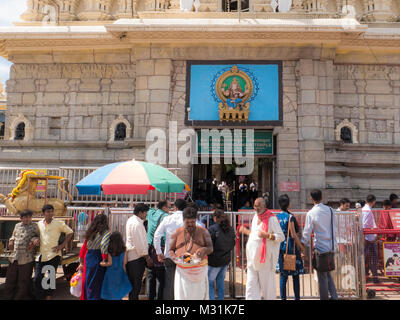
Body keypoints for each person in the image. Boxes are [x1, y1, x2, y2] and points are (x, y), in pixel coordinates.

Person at [154, 199, 201, 300]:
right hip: (186, 256)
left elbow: (157, 235)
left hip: (169, 256)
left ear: (175, 207)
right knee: (185, 283)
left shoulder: (167, 219)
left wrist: (159, 252)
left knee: (169, 284)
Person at [239, 197, 284, 300]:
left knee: (268, 289)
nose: (256, 208)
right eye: (255, 205)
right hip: (252, 259)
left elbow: (281, 237)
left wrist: (268, 236)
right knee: (250, 288)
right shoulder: (255, 217)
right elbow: (255, 234)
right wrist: (246, 231)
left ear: (264, 206)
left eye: (258, 206)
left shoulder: (272, 218)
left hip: (265, 261)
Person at [169, 206, 213, 300]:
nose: (190, 224)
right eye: (187, 222)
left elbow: (210, 248)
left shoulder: (203, 232)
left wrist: (204, 250)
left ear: (196, 220)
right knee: (183, 296)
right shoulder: (176, 232)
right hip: (182, 270)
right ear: (183, 220)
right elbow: (170, 250)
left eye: (192, 222)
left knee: (199, 296)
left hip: (199, 270)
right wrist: (175, 258)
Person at [301, 189, 338, 300]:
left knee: (322, 276)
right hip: (332, 247)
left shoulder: (311, 213)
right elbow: (334, 227)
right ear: (321, 197)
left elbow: (307, 233)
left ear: (311, 198)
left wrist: (302, 244)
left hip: (320, 249)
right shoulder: (331, 210)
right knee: (327, 274)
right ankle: (334, 297)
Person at [34, 204, 73, 300]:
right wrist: (34, 240)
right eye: (48, 211)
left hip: (53, 254)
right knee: (37, 278)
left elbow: (70, 232)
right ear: (43, 213)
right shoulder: (39, 224)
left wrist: (62, 246)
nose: (50, 213)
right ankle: (40, 296)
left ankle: (48, 296)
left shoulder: (58, 223)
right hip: (41, 255)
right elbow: (35, 235)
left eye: (51, 211)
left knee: (51, 277)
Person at [4, 210, 40, 300]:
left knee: (23, 281)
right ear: (21, 218)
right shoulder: (17, 225)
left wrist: (34, 241)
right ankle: (8, 297)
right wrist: (11, 240)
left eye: (29, 217)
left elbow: (39, 237)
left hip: (26, 258)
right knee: (10, 280)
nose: (27, 219)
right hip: (14, 257)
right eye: (25, 217)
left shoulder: (35, 226)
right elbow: (13, 235)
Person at [276, 195, 305, 300]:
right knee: (295, 275)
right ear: (288, 204)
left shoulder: (277, 217)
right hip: (291, 247)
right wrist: (301, 247)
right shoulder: (290, 217)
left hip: (281, 247)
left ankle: (283, 298)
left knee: (283, 276)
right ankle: (297, 298)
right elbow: (293, 234)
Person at [78, 214, 110, 300]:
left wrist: (81, 262)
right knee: (96, 283)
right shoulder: (105, 232)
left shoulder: (90, 231)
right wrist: (105, 258)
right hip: (97, 257)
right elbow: (104, 245)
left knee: (88, 281)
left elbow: (84, 247)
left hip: (88, 258)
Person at [125, 203, 152, 300]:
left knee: (134, 285)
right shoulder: (136, 223)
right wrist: (147, 257)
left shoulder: (132, 220)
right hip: (136, 258)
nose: (146, 215)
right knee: (136, 285)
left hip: (134, 257)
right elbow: (139, 243)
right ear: (140, 212)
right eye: (145, 213)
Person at [207, 209, 236, 300]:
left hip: (214, 261)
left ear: (215, 218)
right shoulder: (230, 228)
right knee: (220, 282)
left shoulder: (212, 229)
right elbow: (233, 243)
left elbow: (209, 245)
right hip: (226, 260)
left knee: (210, 282)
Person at [146, 200, 170, 300]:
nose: (170, 209)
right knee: (161, 278)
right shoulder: (166, 217)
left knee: (151, 276)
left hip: (149, 248)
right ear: (164, 208)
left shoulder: (151, 213)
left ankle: (150, 297)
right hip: (159, 249)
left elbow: (149, 208)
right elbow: (164, 236)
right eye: (169, 207)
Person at [100, 231, 132, 300]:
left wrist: (101, 263)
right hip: (120, 273)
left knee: (110, 294)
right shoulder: (124, 249)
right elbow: (125, 262)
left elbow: (110, 263)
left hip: (110, 273)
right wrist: (125, 273)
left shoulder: (110, 249)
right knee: (118, 293)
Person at [362, 194, 379, 283]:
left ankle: (365, 277)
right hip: (369, 238)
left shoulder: (364, 209)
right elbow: (364, 225)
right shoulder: (367, 211)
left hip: (368, 237)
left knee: (365, 258)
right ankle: (374, 278)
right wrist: (364, 237)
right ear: (374, 202)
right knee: (373, 258)